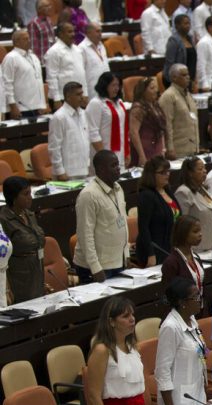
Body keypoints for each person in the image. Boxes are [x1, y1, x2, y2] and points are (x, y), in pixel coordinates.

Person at [86, 297, 144, 405]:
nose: (132, 319)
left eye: (132, 315)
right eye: (125, 316)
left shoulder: (132, 346)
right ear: (111, 321)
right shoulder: (101, 350)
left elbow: (138, 387)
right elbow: (93, 394)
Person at [155, 277, 206, 405]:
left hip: (197, 392)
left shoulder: (192, 320)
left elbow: (199, 348)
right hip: (179, 400)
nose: (199, 299)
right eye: (195, 297)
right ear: (182, 302)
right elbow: (162, 372)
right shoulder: (170, 327)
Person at [73, 151, 128, 283]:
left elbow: (123, 222)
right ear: (101, 169)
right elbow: (85, 234)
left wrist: (126, 255)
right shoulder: (89, 195)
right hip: (97, 267)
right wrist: (95, 267)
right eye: (113, 165)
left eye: (118, 164)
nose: (118, 168)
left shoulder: (118, 188)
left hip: (117, 261)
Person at [0, 177, 44, 303]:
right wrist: (7, 289)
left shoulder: (29, 214)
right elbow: (2, 257)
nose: (30, 197)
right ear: (14, 198)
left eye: (30, 193)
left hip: (37, 270)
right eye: (25, 194)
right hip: (18, 275)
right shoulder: (3, 220)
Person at [136, 157, 181, 267]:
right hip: (155, 250)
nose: (167, 175)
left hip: (170, 246)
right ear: (151, 175)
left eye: (168, 171)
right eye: (162, 172)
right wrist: (150, 254)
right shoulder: (146, 195)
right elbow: (143, 227)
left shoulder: (167, 190)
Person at [174, 157, 212, 251]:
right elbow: (182, 225)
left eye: (204, 168)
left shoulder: (203, 189)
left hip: (211, 245)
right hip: (195, 248)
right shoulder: (183, 192)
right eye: (200, 169)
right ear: (190, 173)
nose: (204, 171)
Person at [1, 30, 47, 120]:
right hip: (21, 108)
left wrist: (42, 104)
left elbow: (39, 80)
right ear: (17, 42)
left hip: (36, 106)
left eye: (29, 38)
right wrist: (13, 106)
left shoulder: (33, 56)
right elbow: (7, 84)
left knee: (37, 132)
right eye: (25, 39)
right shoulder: (11, 58)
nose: (29, 40)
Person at [49, 82, 89, 180]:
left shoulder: (84, 114)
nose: (82, 97)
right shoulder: (59, 117)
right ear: (68, 97)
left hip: (84, 168)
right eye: (78, 94)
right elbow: (54, 147)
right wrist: (60, 171)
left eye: (82, 93)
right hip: (67, 172)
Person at [159, 64, 199, 159]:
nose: (188, 77)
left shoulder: (188, 94)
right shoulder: (168, 96)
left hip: (193, 148)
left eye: (188, 74)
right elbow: (167, 124)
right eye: (184, 75)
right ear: (174, 78)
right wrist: (170, 148)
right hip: (178, 150)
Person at [128, 77, 167, 168]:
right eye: (152, 88)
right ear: (143, 91)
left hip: (157, 148)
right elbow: (134, 133)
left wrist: (163, 148)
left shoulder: (156, 105)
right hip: (145, 149)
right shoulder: (138, 108)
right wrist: (142, 156)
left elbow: (161, 129)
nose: (156, 91)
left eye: (156, 88)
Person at [160, 215, 205, 289]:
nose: (200, 234)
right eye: (195, 231)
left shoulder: (196, 257)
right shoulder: (171, 263)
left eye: (200, 231)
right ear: (183, 233)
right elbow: (169, 294)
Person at [79, 23, 109, 99]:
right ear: (88, 33)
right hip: (92, 89)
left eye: (101, 31)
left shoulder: (101, 45)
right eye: (97, 31)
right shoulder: (81, 48)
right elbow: (80, 73)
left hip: (106, 86)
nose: (100, 34)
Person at [164, 14, 195, 85]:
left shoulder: (190, 38)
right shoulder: (173, 40)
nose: (188, 26)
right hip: (178, 81)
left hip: (190, 79)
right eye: (185, 23)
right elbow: (170, 63)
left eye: (189, 23)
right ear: (177, 26)